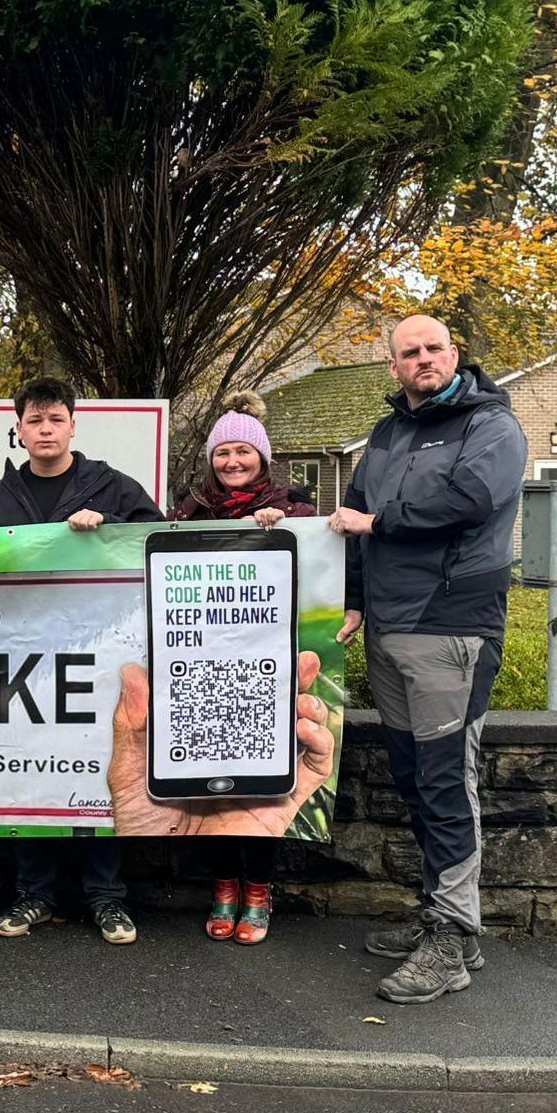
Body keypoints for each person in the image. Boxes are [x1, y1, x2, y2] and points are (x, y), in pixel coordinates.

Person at [330, 314, 525, 1005]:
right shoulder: (386, 435)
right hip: (389, 625)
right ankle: (439, 915)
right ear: (393, 367)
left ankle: (453, 936)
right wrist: (353, 598)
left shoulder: (491, 426)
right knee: (413, 775)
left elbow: (470, 500)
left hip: (453, 625)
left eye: (434, 348)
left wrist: (379, 523)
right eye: (409, 352)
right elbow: (350, 519)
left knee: (447, 780)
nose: (423, 359)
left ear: (454, 353)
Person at [0, 376, 163, 946]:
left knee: (93, 769)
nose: (45, 429)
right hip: (24, 660)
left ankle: (107, 899)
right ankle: (34, 894)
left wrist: (109, 530)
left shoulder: (109, 485)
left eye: (55, 419)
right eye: (34, 421)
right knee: (31, 772)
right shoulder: (0, 498)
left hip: (99, 656)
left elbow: (156, 538)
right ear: (19, 430)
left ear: (73, 426)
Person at [169, 390, 318, 945]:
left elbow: (322, 564)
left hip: (269, 668)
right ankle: (224, 887)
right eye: (222, 453)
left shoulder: (295, 507)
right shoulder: (189, 512)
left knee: (261, 788)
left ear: (263, 456)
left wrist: (284, 529)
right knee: (214, 790)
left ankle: (259, 890)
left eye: (243, 452)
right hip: (202, 666)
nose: (232, 462)